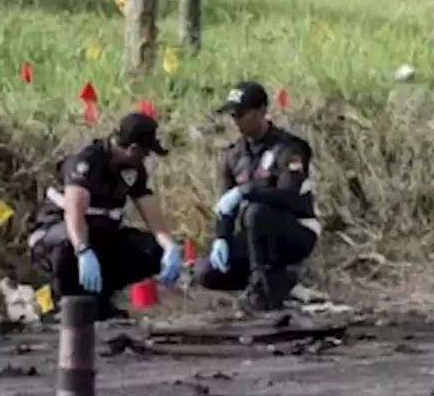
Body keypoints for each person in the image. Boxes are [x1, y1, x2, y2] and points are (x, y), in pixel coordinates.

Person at [28, 112, 184, 321]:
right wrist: (83, 251)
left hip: (101, 236)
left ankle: (100, 299)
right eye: (145, 153)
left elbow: (150, 210)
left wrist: (169, 246)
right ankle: (64, 301)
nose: (145, 159)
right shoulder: (86, 161)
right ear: (133, 149)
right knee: (68, 246)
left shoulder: (133, 170)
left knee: (151, 250)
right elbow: (74, 212)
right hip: (58, 234)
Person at [193, 81, 320, 311]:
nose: (236, 121)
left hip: (294, 230)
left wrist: (247, 191)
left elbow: (289, 196)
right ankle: (279, 281)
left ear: (261, 111)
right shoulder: (234, 156)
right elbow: (225, 206)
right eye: (232, 115)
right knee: (206, 272)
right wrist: (221, 237)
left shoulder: (288, 148)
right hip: (254, 236)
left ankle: (263, 291)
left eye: (241, 114)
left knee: (256, 212)